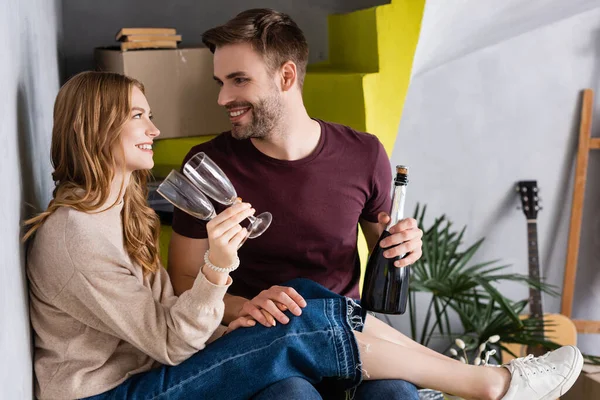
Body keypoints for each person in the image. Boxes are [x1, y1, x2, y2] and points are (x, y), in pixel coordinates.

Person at [23, 71, 583, 400]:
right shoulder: (75, 235)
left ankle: (449, 379)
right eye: (139, 118)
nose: (156, 130)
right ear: (97, 128)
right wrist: (219, 266)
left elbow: (164, 316)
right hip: (114, 394)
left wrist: (241, 305)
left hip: (147, 370)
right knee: (296, 329)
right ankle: (492, 385)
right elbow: (171, 341)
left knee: (305, 296)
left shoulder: (115, 211)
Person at [167, 8, 421, 399]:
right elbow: (183, 281)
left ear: (286, 76)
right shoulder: (209, 165)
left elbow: (382, 252)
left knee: (398, 395)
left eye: (239, 80)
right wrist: (247, 307)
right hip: (260, 340)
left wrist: (404, 247)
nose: (222, 98)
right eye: (220, 82)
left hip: (344, 334)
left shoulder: (365, 154)